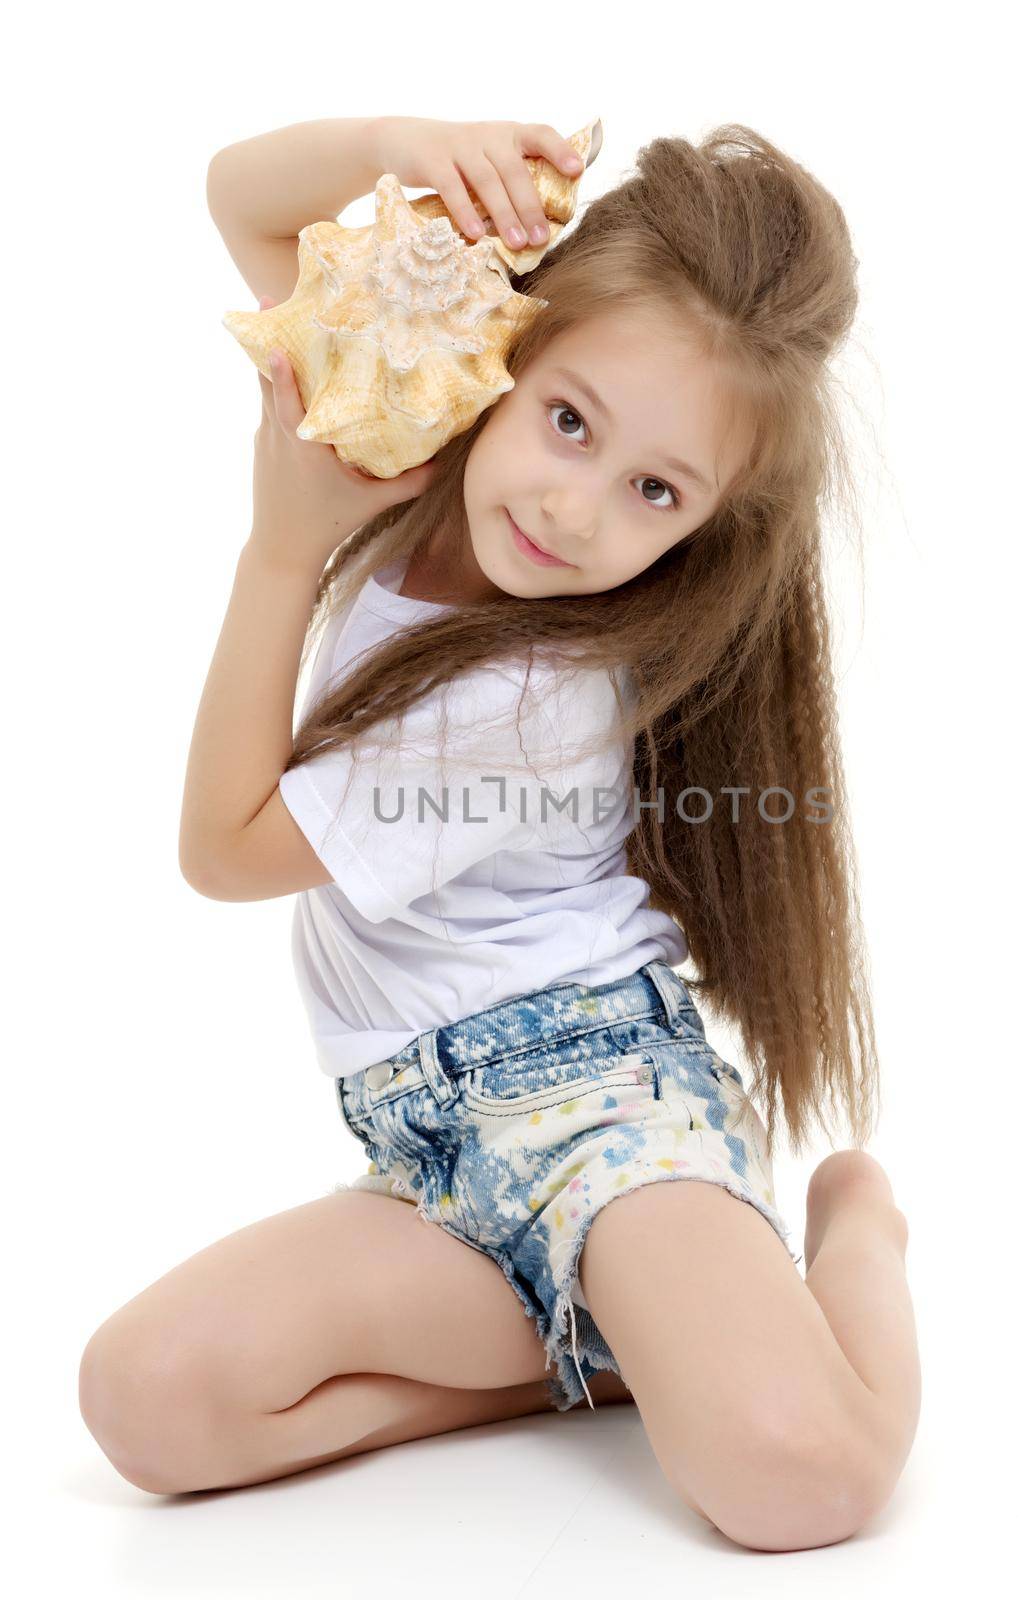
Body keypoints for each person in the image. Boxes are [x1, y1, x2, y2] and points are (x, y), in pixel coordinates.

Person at [78, 115, 921, 1550]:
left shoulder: (541, 691)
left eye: (654, 490)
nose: (568, 506)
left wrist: (282, 547)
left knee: (804, 1481)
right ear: (508, 349)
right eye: (570, 419)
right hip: (430, 1142)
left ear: (704, 526)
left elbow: (222, 851)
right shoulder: (411, 432)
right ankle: (609, 1353)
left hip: (599, 1106)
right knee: (148, 1402)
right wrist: (414, 144)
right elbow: (237, 196)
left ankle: (846, 1228)